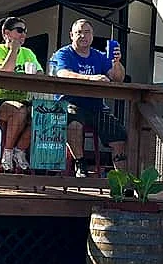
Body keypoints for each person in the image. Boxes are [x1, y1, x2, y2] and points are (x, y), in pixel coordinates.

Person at [49, 19, 127, 172]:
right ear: (71, 35)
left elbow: (118, 78)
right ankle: (81, 164)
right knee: (73, 124)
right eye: (79, 32)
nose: (83, 36)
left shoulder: (100, 56)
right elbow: (63, 73)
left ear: (92, 35)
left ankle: (121, 179)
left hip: (97, 107)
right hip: (70, 103)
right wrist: (91, 78)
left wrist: (117, 62)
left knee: (119, 135)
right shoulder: (63, 53)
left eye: (87, 32)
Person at [0, 16, 41, 171]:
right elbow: (3, 73)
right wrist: (13, 50)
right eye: (19, 30)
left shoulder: (28, 53)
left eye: (25, 31)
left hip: (22, 99)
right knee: (19, 110)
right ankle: (7, 153)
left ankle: (19, 150)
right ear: (6, 33)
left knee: (42, 114)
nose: (23, 35)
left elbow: (40, 73)